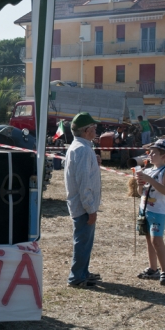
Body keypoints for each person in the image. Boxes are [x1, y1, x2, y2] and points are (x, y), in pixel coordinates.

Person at [64, 112, 102, 288]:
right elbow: (84, 182)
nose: (96, 131)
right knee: (82, 242)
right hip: (83, 206)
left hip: (81, 205)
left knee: (85, 242)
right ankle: (77, 277)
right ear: (86, 131)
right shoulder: (83, 149)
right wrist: (90, 208)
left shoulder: (81, 147)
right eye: (94, 128)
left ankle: (83, 272)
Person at [136, 138, 165, 285]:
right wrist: (139, 183)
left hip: (158, 211)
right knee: (149, 239)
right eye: (149, 152)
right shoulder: (148, 170)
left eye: (153, 153)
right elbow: (141, 192)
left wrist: (149, 179)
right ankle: (153, 268)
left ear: (163, 156)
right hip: (144, 209)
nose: (149, 155)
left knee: (157, 240)